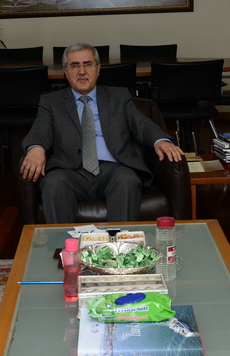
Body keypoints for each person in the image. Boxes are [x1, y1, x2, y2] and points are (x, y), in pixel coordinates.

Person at [19, 42, 185, 223]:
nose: (82, 71)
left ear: (98, 69)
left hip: (114, 169)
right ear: (65, 72)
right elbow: (40, 129)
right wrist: (36, 148)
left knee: (126, 179)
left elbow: (142, 124)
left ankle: (120, 241)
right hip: (70, 172)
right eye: (74, 65)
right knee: (54, 182)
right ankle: (63, 242)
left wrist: (160, 140)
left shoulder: (119, 97)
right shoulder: (51, 102)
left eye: (87, 64)